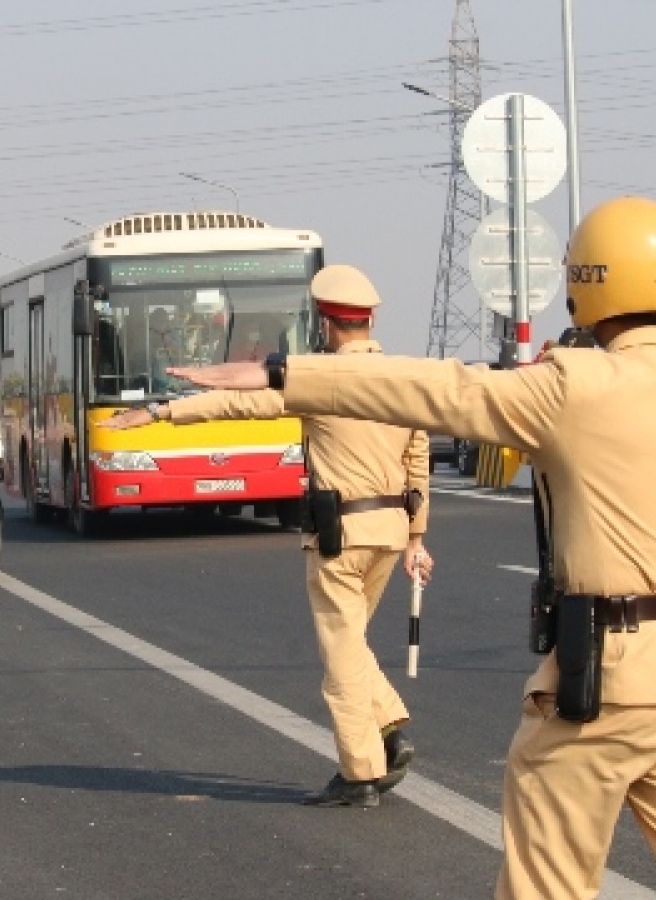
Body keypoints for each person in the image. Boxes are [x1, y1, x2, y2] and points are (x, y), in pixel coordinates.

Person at [165, 197, 656, 899]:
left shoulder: (569, 387)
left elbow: (438, 391)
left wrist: (286, 372)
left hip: (604, 686)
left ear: (584, 283)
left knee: (546, 885)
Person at [102, 264, 434, 809]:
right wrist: (417, 538)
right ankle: (389, 731)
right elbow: (417, 456)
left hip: (340, 536)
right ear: (370, 320)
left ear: (325, 324)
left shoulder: (321, 380)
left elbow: (239, 402)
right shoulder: (403, 379)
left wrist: (162, 410)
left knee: (340, 660)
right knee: (350, 643)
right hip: (391, 533)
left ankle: (361, 774)